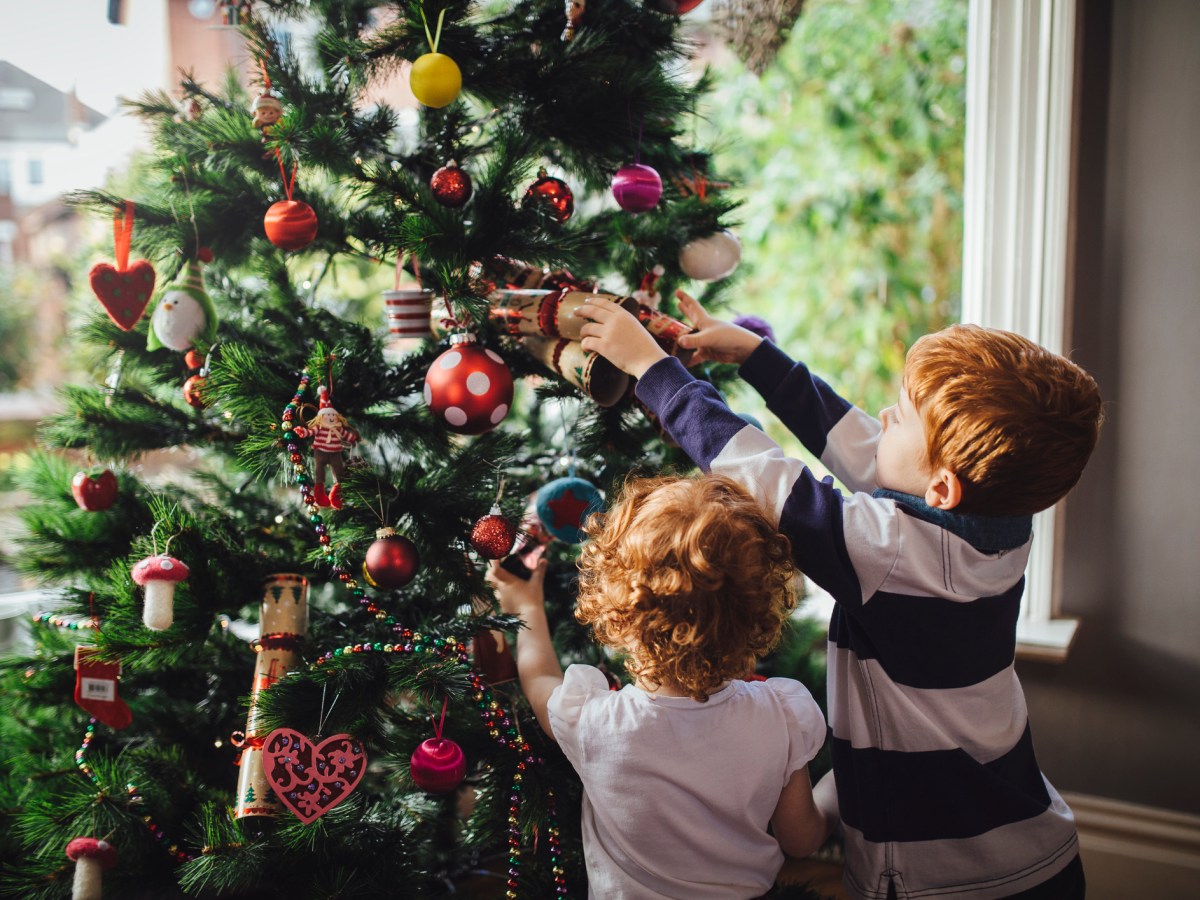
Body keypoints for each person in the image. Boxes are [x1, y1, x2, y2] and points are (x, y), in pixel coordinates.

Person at [575, 292, 1103, 900]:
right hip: (1032, 851)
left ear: (942, 487)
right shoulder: (995, 527)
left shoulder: (894, 556)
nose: (881, 415)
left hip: (952, 878)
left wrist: (653, 372)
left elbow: (767, 479)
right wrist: (758, 358)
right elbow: (861, 446)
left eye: (900, 416)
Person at [487, 473, 830, 899]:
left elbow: (539, 677)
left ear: (620, 613)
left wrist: (525, 604)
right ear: (757, 613)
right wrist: (834, 794)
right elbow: (801, 839)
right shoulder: (781, 716)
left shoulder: (596, 722)